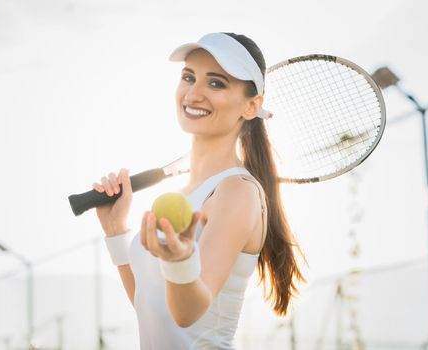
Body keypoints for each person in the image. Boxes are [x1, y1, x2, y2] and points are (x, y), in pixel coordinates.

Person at [92, 32, 305, 349]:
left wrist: (180, 261)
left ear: (251, 106)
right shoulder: (188, 191)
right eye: (188, 77)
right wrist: (115, 230)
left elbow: (187, 313)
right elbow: (149, 305)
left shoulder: (237, 192)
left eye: (216, 83)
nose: (194, 93)